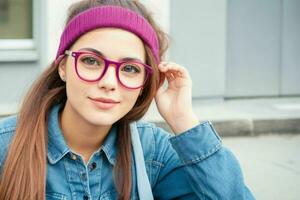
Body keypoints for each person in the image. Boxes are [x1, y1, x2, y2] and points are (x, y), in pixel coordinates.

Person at [0, 0, 255, 199]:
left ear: (145, 82)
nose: (109, 82)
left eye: (130, 69)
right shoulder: (6, 145)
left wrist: (184, 122)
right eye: (91, 61)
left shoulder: (152, 152)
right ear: (63, 66)